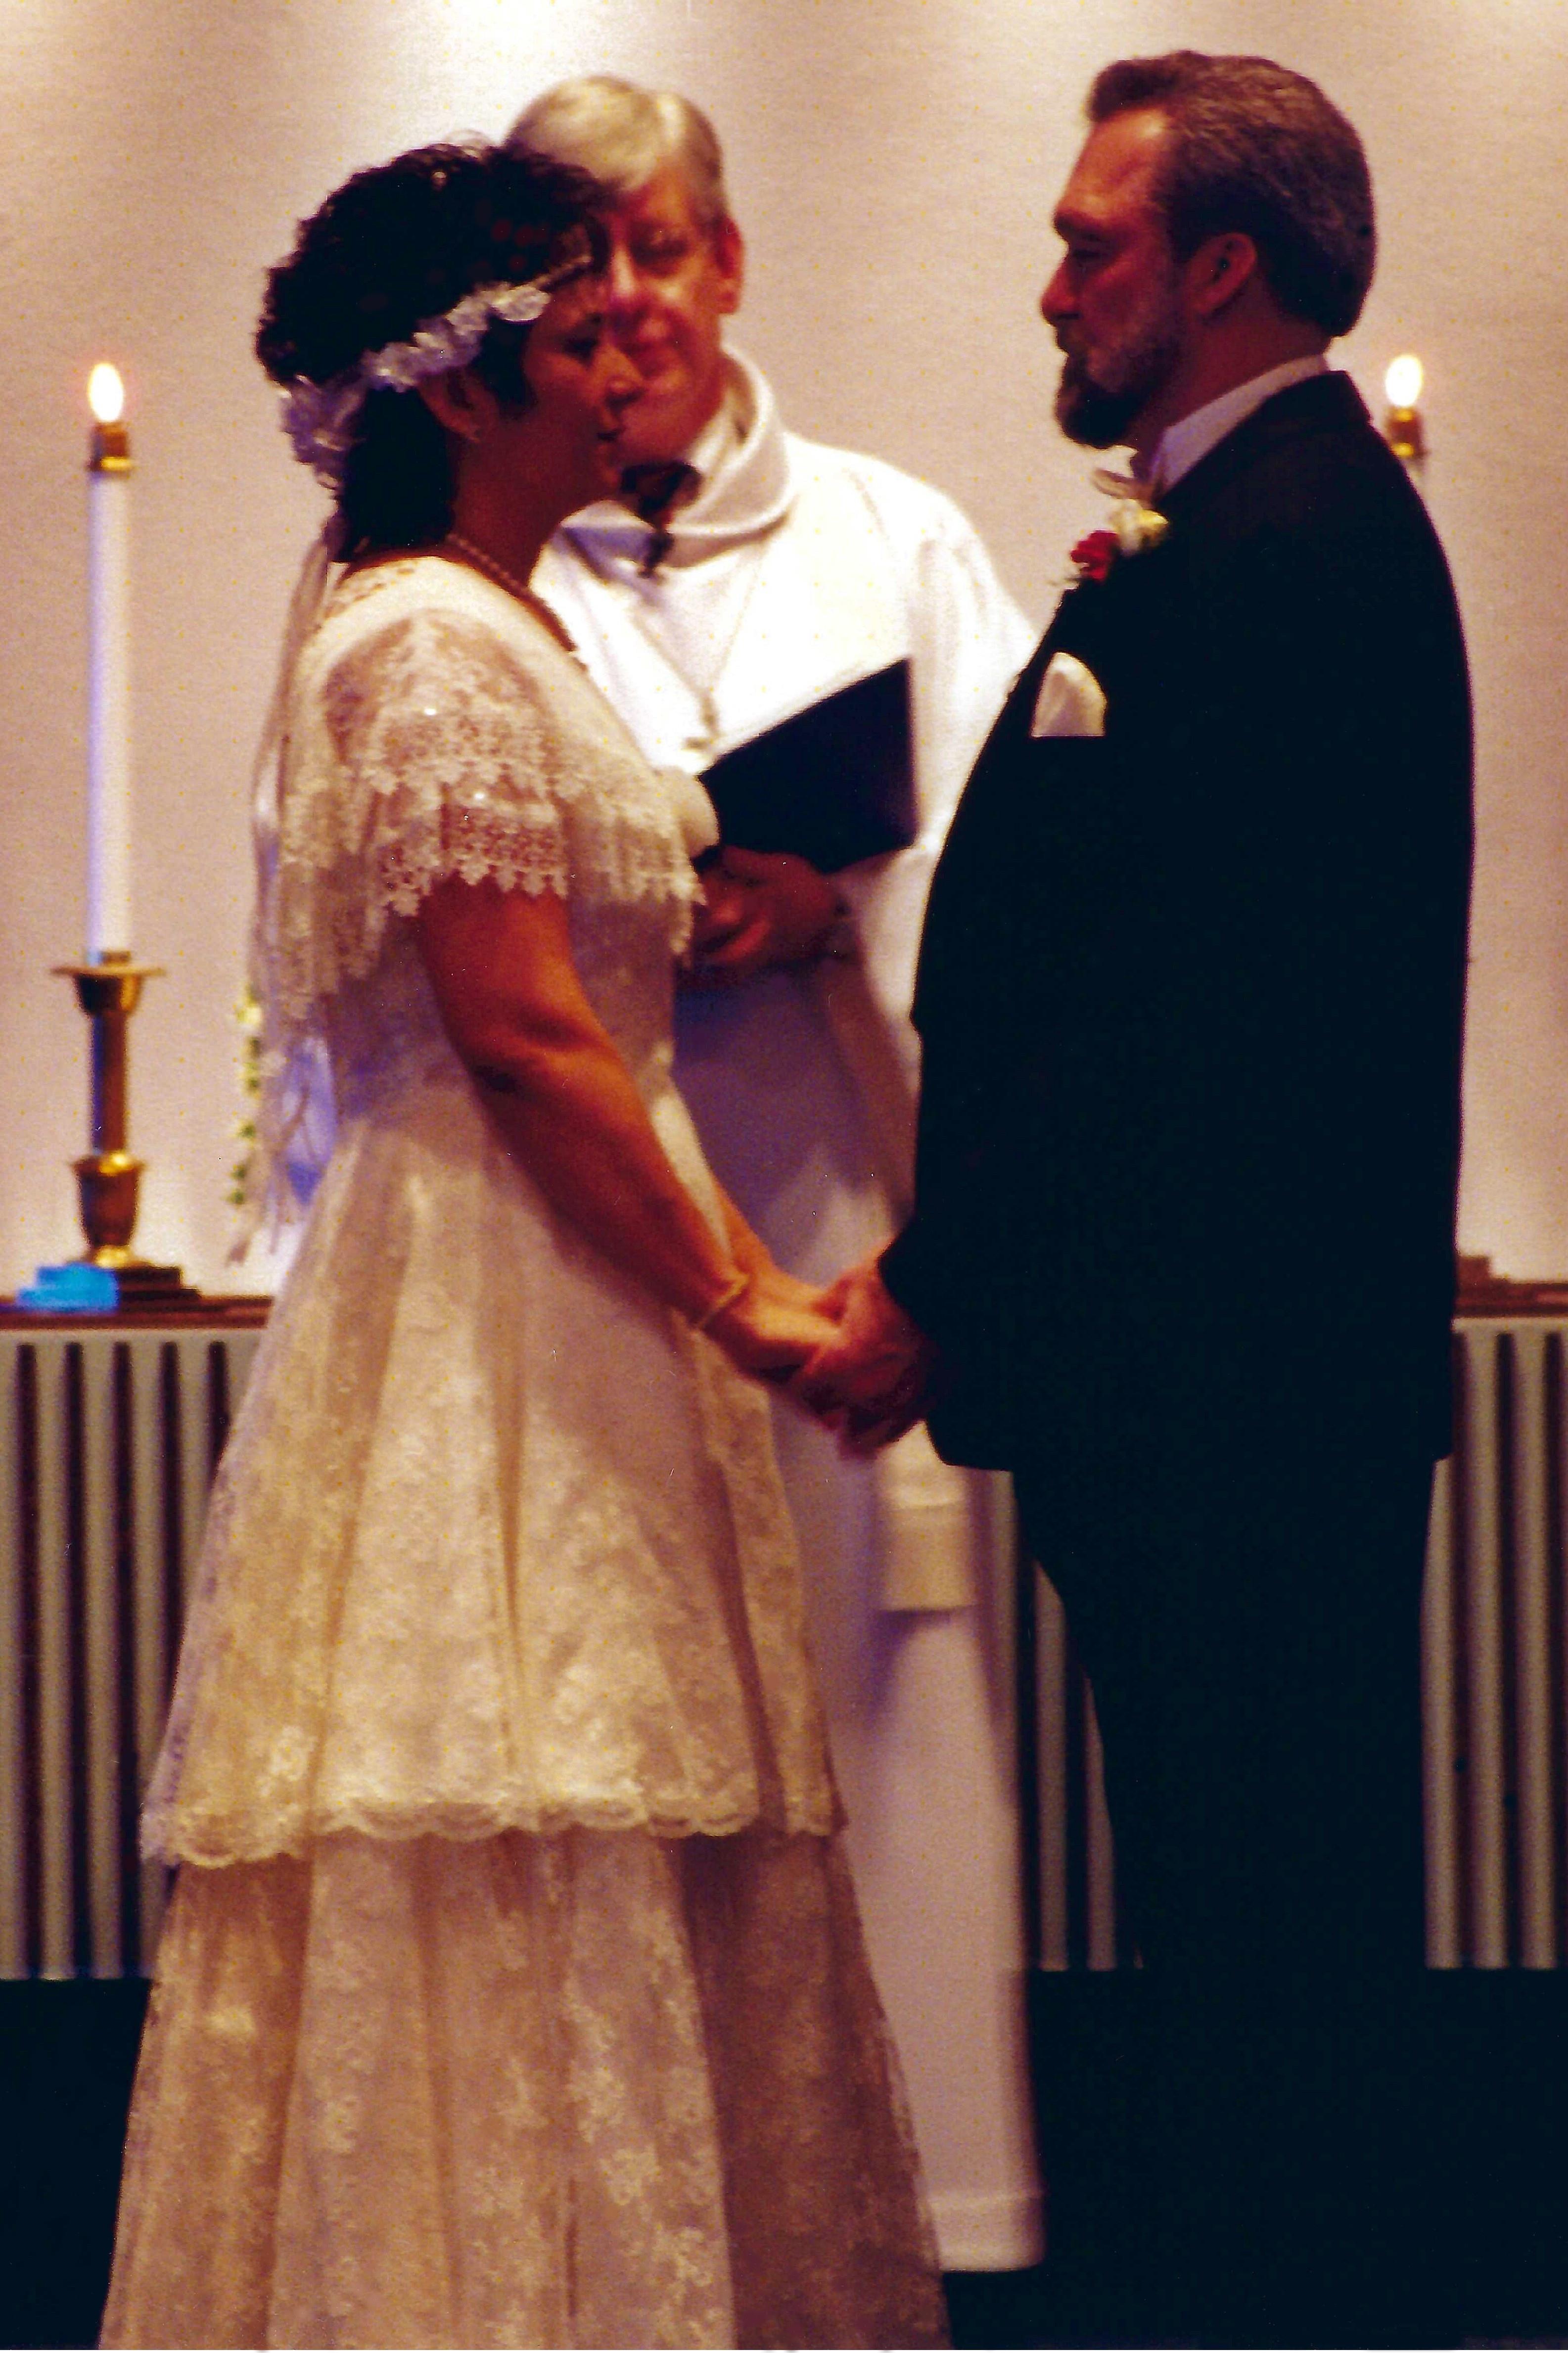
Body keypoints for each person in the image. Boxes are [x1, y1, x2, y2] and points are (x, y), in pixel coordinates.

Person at [100, 139, 947, 2351]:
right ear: (460, 391)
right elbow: (522, 1038)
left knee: (606, 1810)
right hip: (496, 1293)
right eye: (572, 340)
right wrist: (749, 1293)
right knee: (510, 1805)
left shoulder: (503, 618)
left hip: (557, 1289)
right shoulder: (432, 645)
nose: (617, 374)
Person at [805, 50, 1474, 2345]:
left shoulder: (1288, 546)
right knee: (1240, 1928)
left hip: (1233, 1395)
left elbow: (1160, 1029)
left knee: (1268, 1945)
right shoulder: (1245, 515)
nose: (1053, 281)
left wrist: (933, 1282)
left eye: (1094, 240)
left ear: (1220, 266)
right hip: (1215, 1389)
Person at [515, 77, 1043, 2272]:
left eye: (656, 248)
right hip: (579, 1225)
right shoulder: (482, 555)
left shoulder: (890, 538)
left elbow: (1027, 894)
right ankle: (627, 2232)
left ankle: (898, 2223)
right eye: (573, 264)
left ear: (729, 265)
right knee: (605, 1725)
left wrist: (831, 909)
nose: (622, 302)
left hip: (832, 1215)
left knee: (863, 1714)